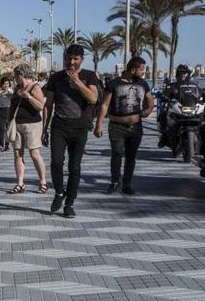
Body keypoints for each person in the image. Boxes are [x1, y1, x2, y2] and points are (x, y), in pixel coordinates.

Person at [43, 44, 100, 218]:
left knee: (74, 166)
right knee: (56, 162)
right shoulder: (56, 77)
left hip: (80, 127)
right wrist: (44, 129)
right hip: (59, 126)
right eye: (69, 58)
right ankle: (59, 193)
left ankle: (70, 203)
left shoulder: (89, 76)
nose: (71, 62)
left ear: (82, 59)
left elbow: (93, 98)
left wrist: (76, 81)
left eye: (76, 59)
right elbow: (48, 104)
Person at [94, 57, 154, 195]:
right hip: (117, 127)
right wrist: (99, 125)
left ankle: (127, 184)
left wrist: (148, 111)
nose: (144, 72)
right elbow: (104, 105)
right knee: (117, 153)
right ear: (132, 69)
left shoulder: (143, 84)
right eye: (141, 69)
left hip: (136, 127)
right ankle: (115, 181)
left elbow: (150, 100)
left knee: (131, 156)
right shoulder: (114, 84)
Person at [6, 64, 47, 194]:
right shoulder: (17, 88)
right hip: (17, 124)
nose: (16, 79)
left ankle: (43, 182)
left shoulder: (35, 87)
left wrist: (28, 97)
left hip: (32, 125)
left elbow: (41, 106)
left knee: (34, 153)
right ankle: (20, 183)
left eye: (17, 76)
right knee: (18, 154)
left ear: (23, 75)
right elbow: (12, 105)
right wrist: (9, 120)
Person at [159, 64, 200, 147]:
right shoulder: (173, 85)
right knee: (163, 115)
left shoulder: (194, 86)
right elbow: (165, 94)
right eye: (181, 72)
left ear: (189, 74)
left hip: (191, 108)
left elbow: (200, 94)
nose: (183, 74)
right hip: (177, 108)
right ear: (177, 74)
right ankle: (164, 137)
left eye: (185, 72)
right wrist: (164, 96)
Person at [0, 77, 14, 151]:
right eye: (4, 84)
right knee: (1, 128)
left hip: (8, 110)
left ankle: (7, 145)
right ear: (1, 84)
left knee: (8, 128)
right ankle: (1, 144)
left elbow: (12, 96)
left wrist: (8, 93)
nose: (6, 85)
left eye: (7, 84)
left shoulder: (11, 91)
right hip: (0, 110)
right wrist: (2, 93)